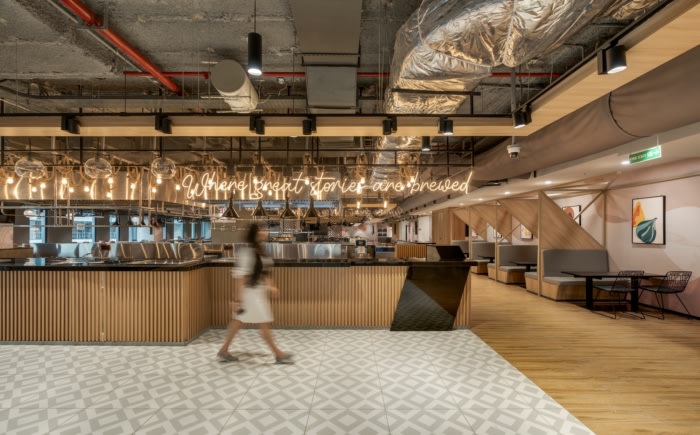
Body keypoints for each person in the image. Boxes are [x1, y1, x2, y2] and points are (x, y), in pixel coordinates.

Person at [217, 223, 293, 364]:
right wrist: (237, 300)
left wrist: (271, 287)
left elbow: (264, 273)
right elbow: (240, 278)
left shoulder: (260, 249)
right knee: (263, 323)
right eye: (262, 229)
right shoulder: (247, 252)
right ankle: (278, 354)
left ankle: (223, 350)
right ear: (256, 233)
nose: (266, 231)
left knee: (238, 322)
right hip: (250, 295)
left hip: (257, 292)